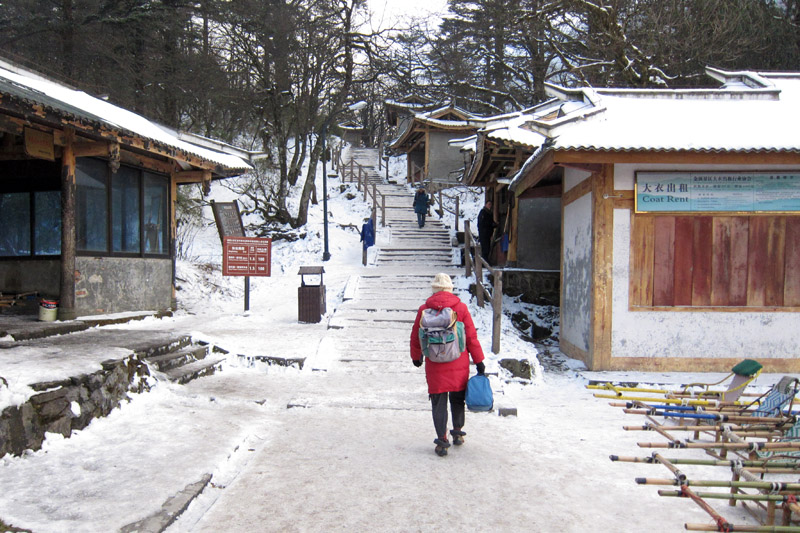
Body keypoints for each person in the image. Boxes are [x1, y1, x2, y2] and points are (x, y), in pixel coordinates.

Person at [410, 273, 486, 457]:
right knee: (457, 399)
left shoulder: (424, 309)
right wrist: (479, 361)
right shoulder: (460, 308)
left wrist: (416, 356)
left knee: (438, 402)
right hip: (457, 361)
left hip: (435, 363)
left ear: (434, 289)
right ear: (450, 289)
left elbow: (415, 336)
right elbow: (471, 337)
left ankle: (442, 441)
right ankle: (458, 433)